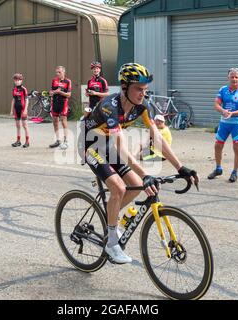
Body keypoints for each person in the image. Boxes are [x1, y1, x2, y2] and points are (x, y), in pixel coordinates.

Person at [81, 62, 199, 264]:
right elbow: (122, 149)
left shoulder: (142, 108)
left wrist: (181, 167)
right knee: (118, 187)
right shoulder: (111, 107)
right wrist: (146, 175)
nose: (142, 94)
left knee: (135, 185)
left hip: (107, 143)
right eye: (138, 89)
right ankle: (111, 243)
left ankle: (110, 218)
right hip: (90, 144)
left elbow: (158, 139)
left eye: (144, 89)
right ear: (125, 87)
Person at [208, 68, 238, 183]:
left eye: (236, 77)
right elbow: (216, 104)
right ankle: (218, 168)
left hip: (237, 124)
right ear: (228, 78)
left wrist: (232, 113)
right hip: (224, 123)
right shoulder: (223, 90)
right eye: (232, 77)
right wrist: (223, 111)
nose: (234, 79)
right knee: (218, 145)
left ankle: (235, 172)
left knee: (237, 147)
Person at [49, 66, 72, 150]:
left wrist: (60, 92)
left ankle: (66, 141)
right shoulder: (54, 80)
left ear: (64, 72)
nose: (58, 74)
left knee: (63, 121)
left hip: (63, 103)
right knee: (55, 122)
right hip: (55, 103)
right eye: (57, 72)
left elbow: (69, 94)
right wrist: (52, 92)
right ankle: (58, 140)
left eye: (59, 72)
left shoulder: (68, 81)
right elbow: (51, 92)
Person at [10, 73, 30, 148]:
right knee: (18, 126)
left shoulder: (24, 89)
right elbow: (13, 100)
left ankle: (27, 141)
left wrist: (25, 110)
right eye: (16, 80)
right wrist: (11, 110)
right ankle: (18, 141)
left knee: (25, 126)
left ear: (21, 81)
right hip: (16, 109)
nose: (17, 82)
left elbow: (27, 100)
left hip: (22, 109)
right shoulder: (14, 89)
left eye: (19, 80)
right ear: (14, 81)